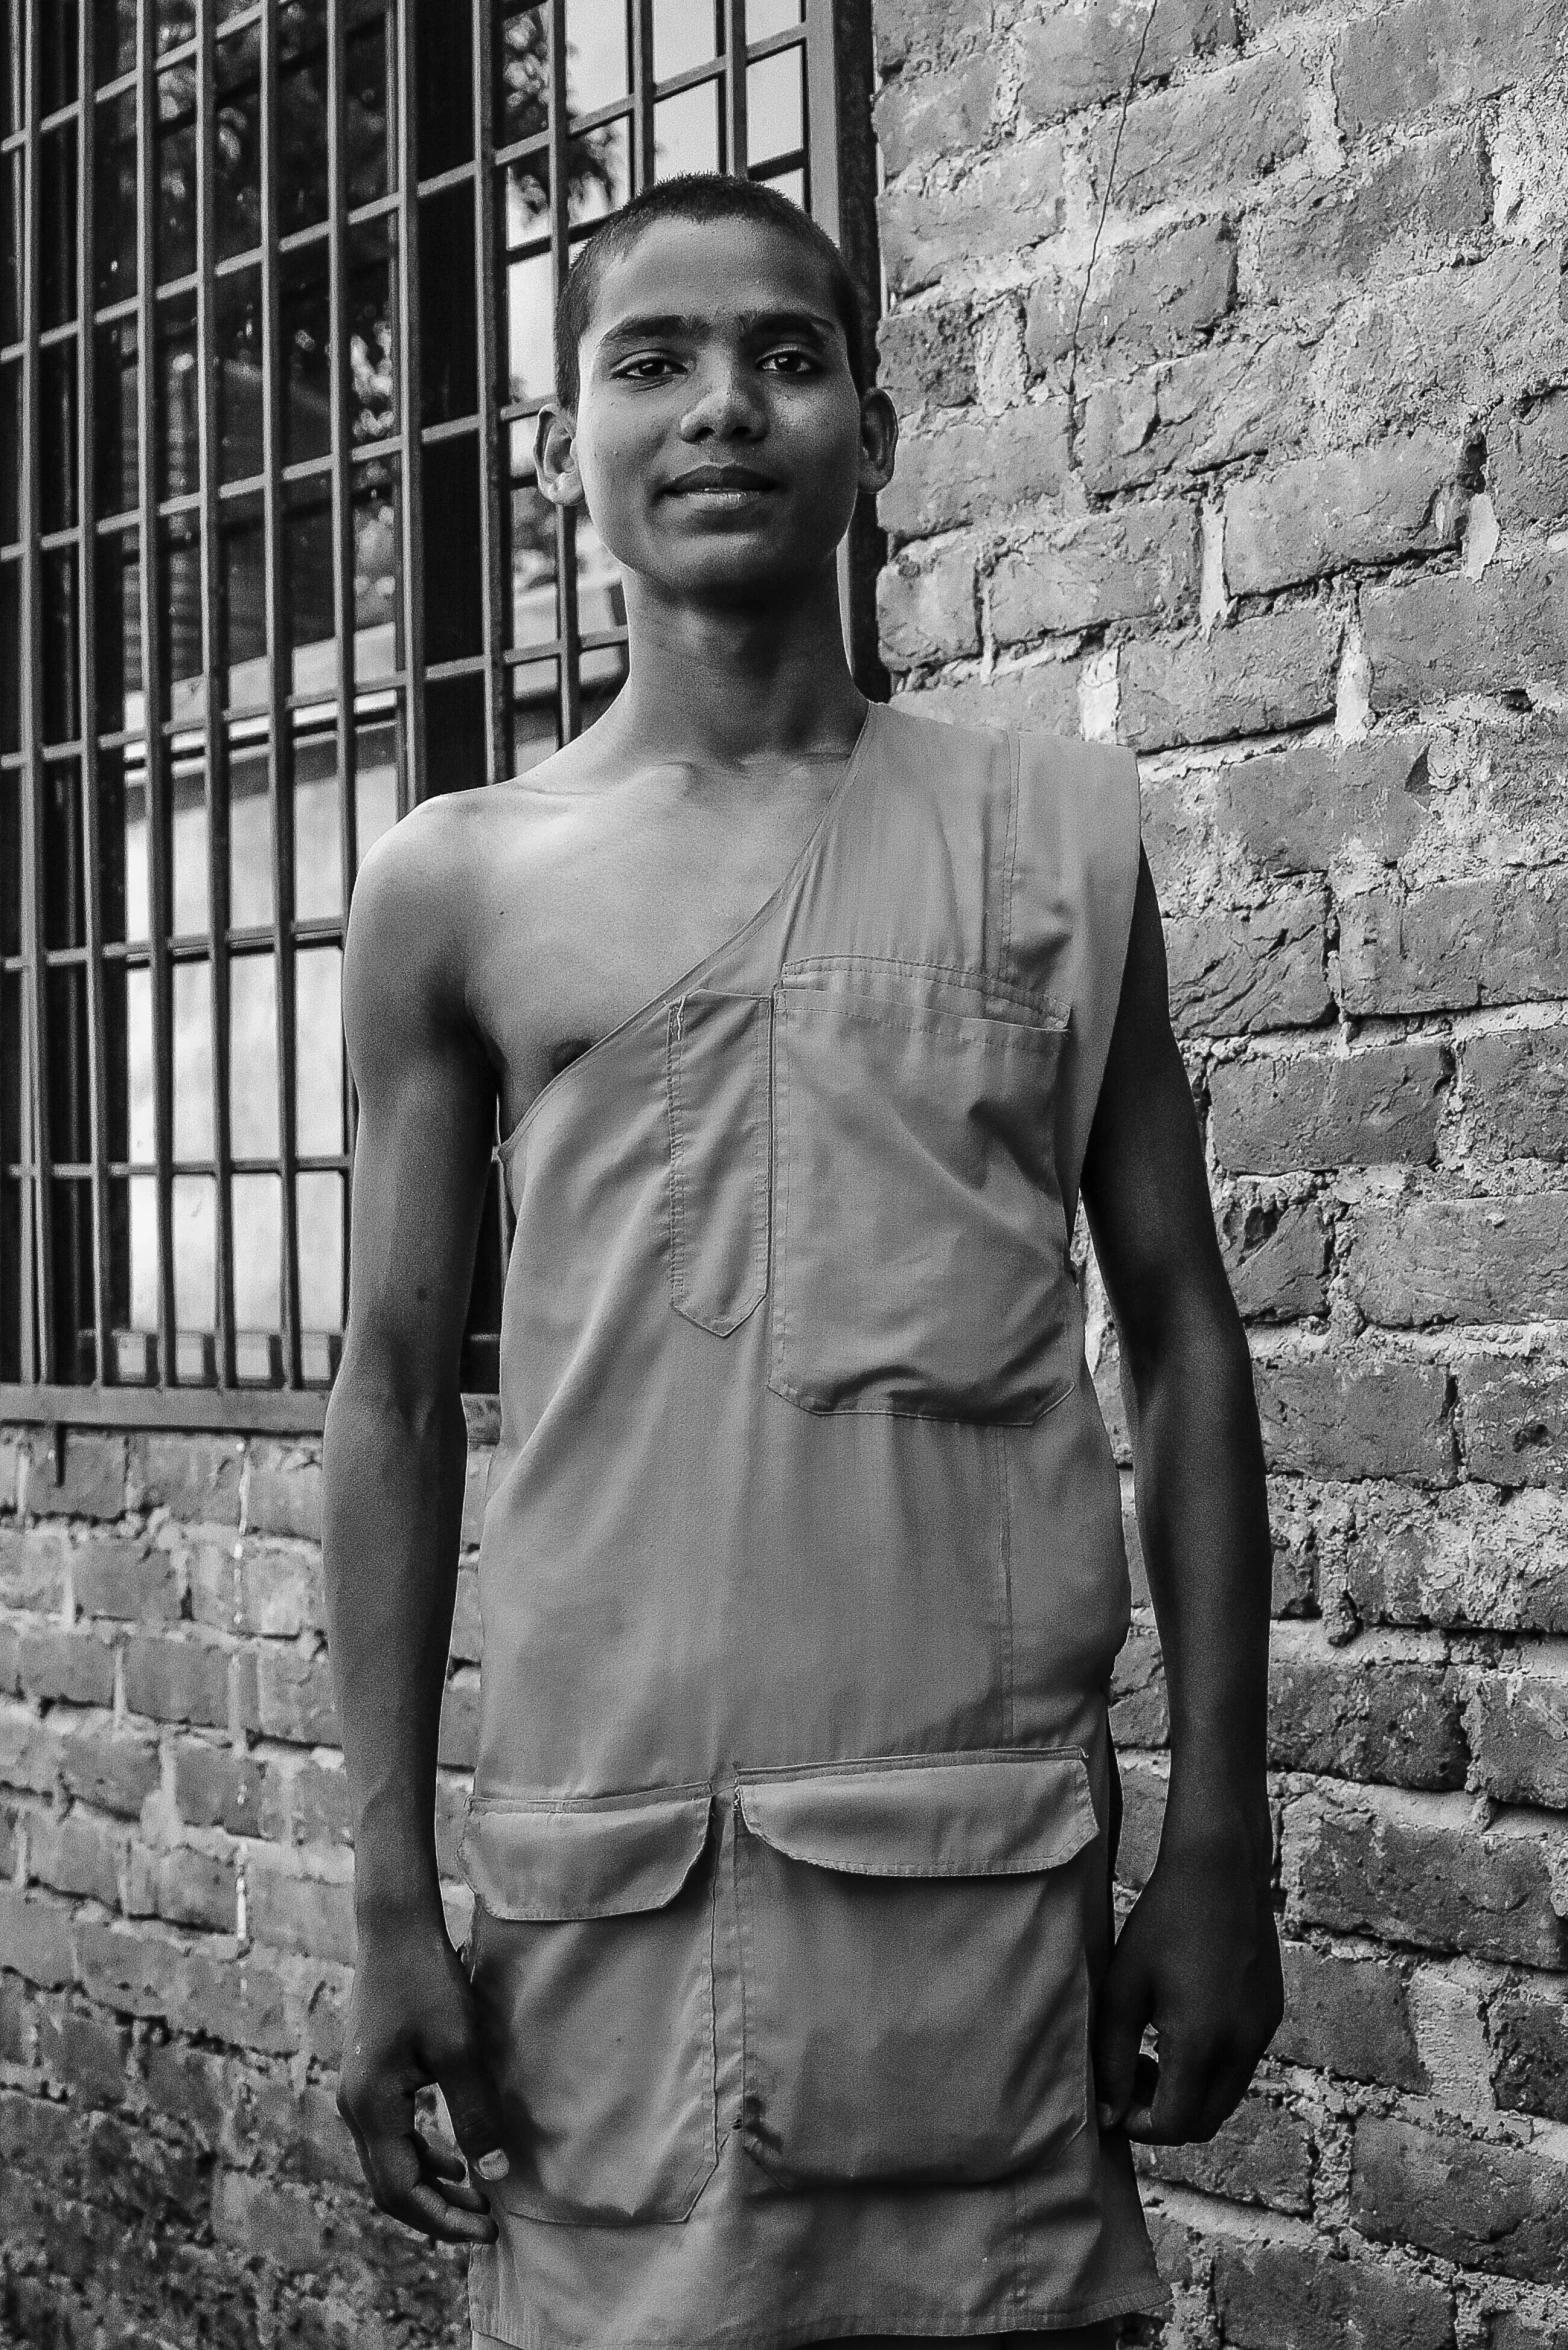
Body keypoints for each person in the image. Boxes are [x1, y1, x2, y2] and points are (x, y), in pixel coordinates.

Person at [322, 173, 1282, 2350]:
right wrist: (385, 1883)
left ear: (875, 417)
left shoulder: (1051, 830)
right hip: (602, 1903)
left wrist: (1224, 1826)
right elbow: (389, 1382)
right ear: (562, 434)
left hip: (971, 1890)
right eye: (649, 358)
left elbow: (1184, 1336)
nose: (721, 406)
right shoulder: (455, 884)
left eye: (784, 351)